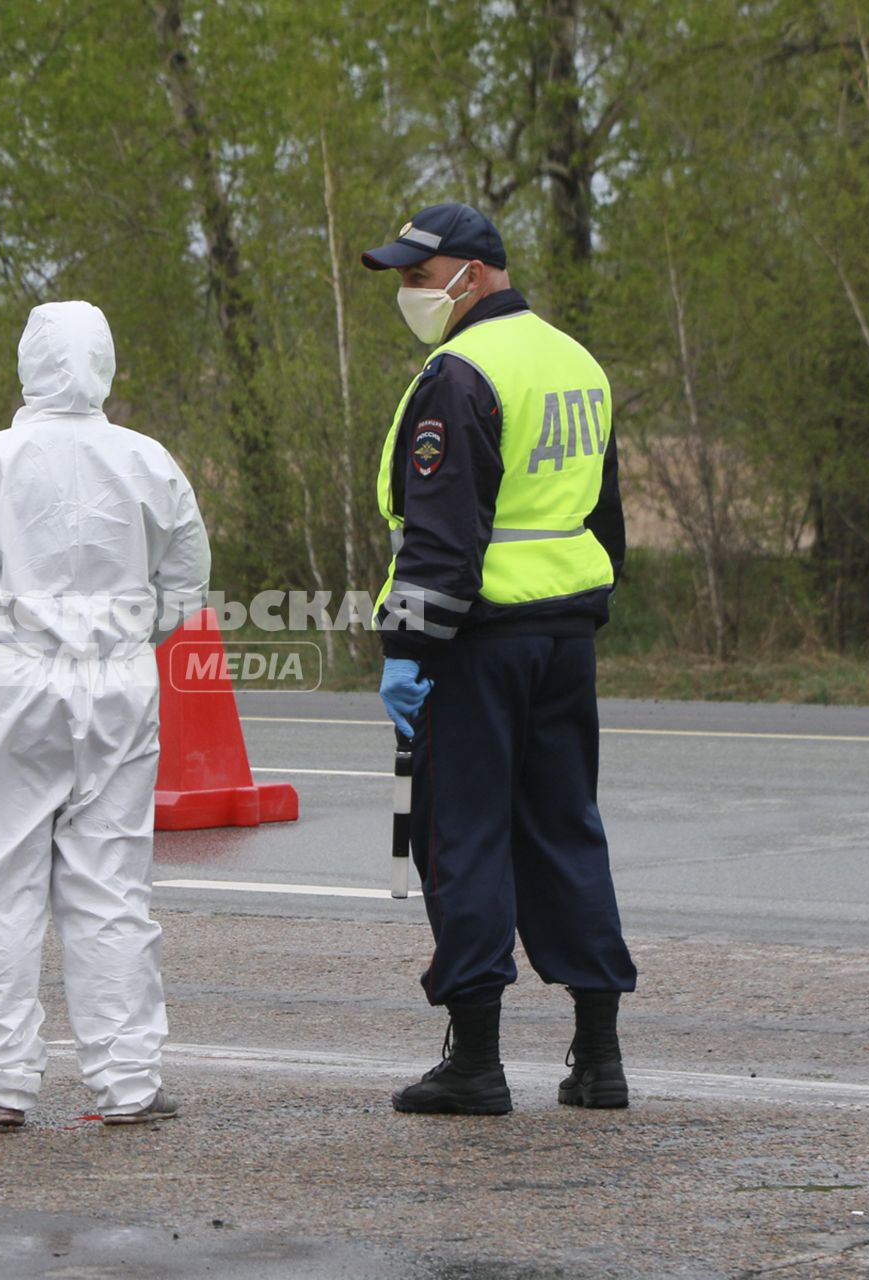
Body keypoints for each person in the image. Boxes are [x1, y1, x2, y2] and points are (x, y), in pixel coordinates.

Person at [0, 301, 210, 1128]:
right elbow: (186, 580)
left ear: (29, 365)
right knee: (110, 888)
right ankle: (129, 1083)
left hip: (9, 688)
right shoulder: (148, 461)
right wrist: (129, 640)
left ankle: (1, 1086)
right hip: (118, 688)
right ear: (104, 364)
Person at [361, 203, 636, 1115]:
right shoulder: (577, 362)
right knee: (566, 829)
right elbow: (607, 519)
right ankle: (599, 1059)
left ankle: (476, 1062)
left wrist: (407, 649)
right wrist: (578, 606)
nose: (406, 292)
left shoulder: (460, 373)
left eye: (414, 275)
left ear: (470, 275)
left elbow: (440, 537)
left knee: (463, 836)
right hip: (564, 637)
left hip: (477, 642)